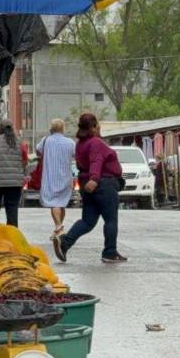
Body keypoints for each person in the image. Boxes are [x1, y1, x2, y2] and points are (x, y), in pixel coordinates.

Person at [53, 113, 127, 264]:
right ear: (93, 127)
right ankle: (110, 252)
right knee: (111, 220)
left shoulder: (81, 143)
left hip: (87, 184)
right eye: (97, 125)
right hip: (103, 184)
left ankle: (65, 243)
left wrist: (91, 180)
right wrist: (94, 178)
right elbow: (96, 161)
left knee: (87, 221)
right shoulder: (95, 142)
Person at [36, 119, 76, 239]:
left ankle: (58, 226)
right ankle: (58, 228)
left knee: (54, 203)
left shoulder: (46, 140)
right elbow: (75, 155)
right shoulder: (70, 142)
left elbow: (38, 152)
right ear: (63, 128)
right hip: (66, 176)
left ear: (51, 128)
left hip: (50, 176)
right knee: (61, 203)